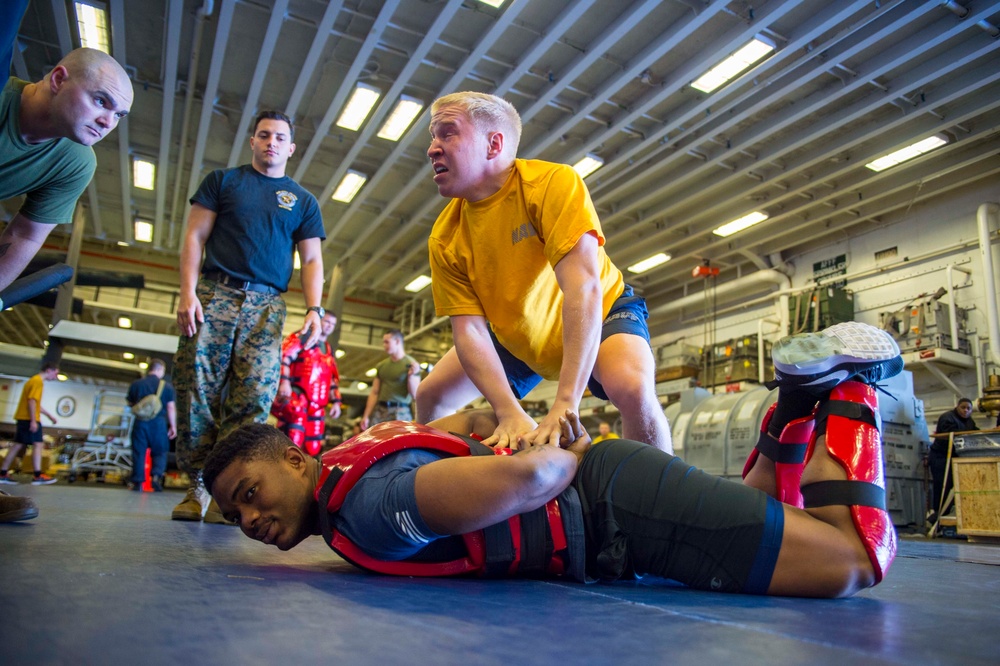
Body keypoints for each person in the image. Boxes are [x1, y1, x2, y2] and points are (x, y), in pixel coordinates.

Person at [204, 321, 902, 599]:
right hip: (617, 509)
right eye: (235, 511)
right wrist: (512, 427)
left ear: (296, 461)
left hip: (617, 505)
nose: (248, 517)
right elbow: (475, 419)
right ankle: (794, 402)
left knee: (849, 563)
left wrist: (565, 443)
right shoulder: (361, 447)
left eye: (249, 490)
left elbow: (532, 475)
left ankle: (848, 391)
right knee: (768, 513)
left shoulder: (370, 506)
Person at [416, 92, 670, 453]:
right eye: (432, 136)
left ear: (494, 144)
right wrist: (508, 411)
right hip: (519, 335)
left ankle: (659, 496)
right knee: (431, 395)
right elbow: (469, 329)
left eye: (447, 133)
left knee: (631, 388)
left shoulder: (551, 183)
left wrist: (566, 402)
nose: (432, 148)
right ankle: (444, 492)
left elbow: (583, 289)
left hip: (601, 312)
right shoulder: (446, 235)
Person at [171, 109, 326, 524]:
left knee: (254, 398)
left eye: (279, 137)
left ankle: (233, 492)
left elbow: (311, 260)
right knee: (196, 390)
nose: (271, 142)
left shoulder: (303, 201)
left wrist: (314, 308)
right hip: (214, 294)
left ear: (291, 148)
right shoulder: (223, 182)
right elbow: (195, 236)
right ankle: (196, 487)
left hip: (268, 306)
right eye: (263, 135)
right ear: (252, 141)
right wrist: (187, 293)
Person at [0, 47, 133, 301]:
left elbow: (25, 234)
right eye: (100, 101)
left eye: (118, 115)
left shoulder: (76, 163)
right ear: (58, 80)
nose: (108, 123)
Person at [271, 311, 343, 456]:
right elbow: (283, 357)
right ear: (319, 320)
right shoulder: (302, 338)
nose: (329, 326)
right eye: (327, 322)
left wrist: (336, 401)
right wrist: (284, 382)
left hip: (318, 405)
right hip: (298, 398)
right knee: (291, 441)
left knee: (313, 446)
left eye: (333, 324)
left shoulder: (329, 349)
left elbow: (332, 377)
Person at [0, 362, 59, 485]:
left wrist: (49, 415)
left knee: (17, 445)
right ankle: (38, 475)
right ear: (49, 370)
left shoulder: (33, 380)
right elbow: (32, 401)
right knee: (38, 444)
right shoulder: (38, 382)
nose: (56, 376)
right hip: (29, 419)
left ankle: (3, 473)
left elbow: (35, 404)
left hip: (23, 418)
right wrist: (33, 420)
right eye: (55, 373)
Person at [126, 358, 177, 492]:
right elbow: (171, 407)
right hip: (158, 422)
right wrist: (173, 426)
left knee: (139, 452)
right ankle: (155, 477)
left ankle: (137, 482)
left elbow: (130, 403)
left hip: (140, 422)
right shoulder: (166, 386)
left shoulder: (136, 384)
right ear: (160, 369)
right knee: (160, 451)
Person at [928, 397, 978, 517]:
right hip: (941, 456)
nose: (965, 411)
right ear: (957, 407)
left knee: (954, 487)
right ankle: (939, 515)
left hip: (955, 457)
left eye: (968, 409)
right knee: (942, 487)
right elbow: (951, 432)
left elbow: (975, 431)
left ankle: (951, 514)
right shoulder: (947, 417)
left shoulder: (969, 421)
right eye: (963, 408)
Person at [360, 329, 420, 429]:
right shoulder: (382, 365)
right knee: (375, 440)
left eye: (387, 342)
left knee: (399, 443)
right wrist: (366, 416)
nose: (384, 345)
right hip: (381, 410)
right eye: (384, 342)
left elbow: (414, 394)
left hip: (400, 411)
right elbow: (374, 392)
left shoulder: (411, 364)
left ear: (397, 342)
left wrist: (411, 376)